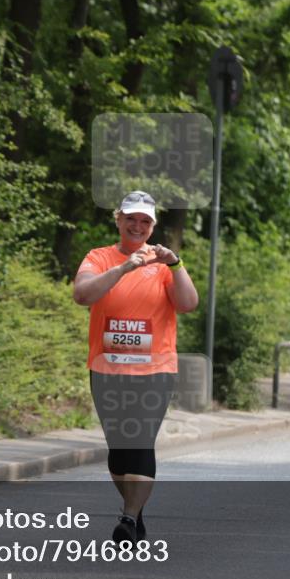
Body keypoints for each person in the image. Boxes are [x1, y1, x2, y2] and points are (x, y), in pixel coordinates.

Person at [73, 191, 198, 543]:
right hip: (106, 369)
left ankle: (127, 518)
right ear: (119, 219)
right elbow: (82, 294)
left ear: (153, 226)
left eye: (145, 221)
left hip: (155, 371)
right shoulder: (98, 258)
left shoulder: (164, 264)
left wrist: (175, 265)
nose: (137, 225)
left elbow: (188, 304)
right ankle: (136, 513)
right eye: (131, 218)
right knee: (119, 453)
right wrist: (126, 266)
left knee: (141, 443)